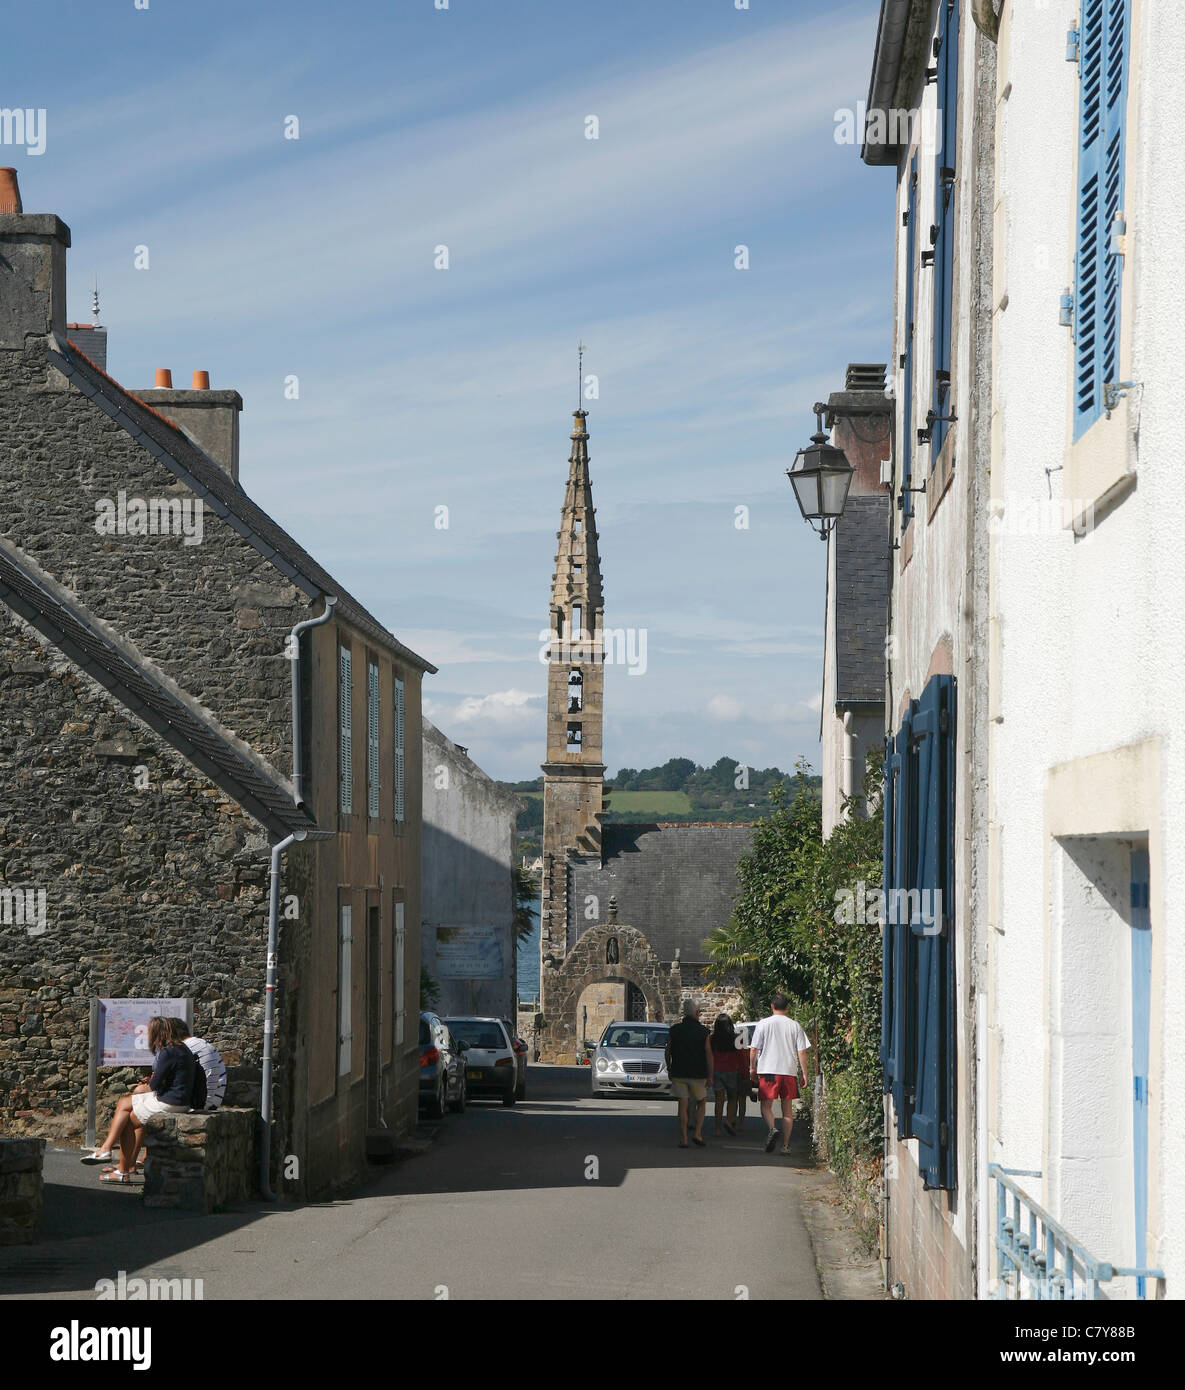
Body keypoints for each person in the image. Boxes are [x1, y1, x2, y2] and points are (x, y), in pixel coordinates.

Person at [98, 1016, 205, 1183]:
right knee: (125, 1106)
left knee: (129, 1120)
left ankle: (121, 1168)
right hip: (181, 1100)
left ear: (155, 1032)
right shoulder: (181, 1048)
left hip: (170, 1102)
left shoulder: (167, 1051)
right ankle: (112, 1155)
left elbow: (155, 1084)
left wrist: (155, 1079)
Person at [748, 993, 812, 1155]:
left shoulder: (763, 1024)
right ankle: (785, 1146)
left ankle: (772, 1129)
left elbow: (754, 1048)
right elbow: (802, 1051)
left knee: (766, 1106)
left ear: (772, 1006)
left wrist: (752, 1068)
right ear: (788, 1007)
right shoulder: (794, 1025)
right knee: (788, 1111)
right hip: (788, 1071)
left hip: (769, 1070)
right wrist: (804, 1073)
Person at [665, 998, 713, 1148]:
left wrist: (669, 1067)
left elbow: (667, 1051)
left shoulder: (675, 1030)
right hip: (698, 1074)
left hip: (679, 1072)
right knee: (702, 1102)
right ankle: (698, 1133)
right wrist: (710, 1075)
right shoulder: (704, 1032)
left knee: (683, 1104)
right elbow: (708, 1054)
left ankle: (684, 1138)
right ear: (698, 1013)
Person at [167, 1017, 227, 1110]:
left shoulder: (185, 1048)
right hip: (214, 1101)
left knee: (141, 1092)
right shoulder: (204, 1044)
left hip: (199, 1103)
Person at [710, 1013, 744, 1136]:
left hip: (717, 1070)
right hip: (731, 1070)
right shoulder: (737, 1038)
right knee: (732, 1097)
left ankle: (717, 1129)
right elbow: (740, 1057)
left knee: (719, 1100)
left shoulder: (712, 1039)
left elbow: (710, 1056)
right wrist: (744, 1073)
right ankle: (729, 1121)